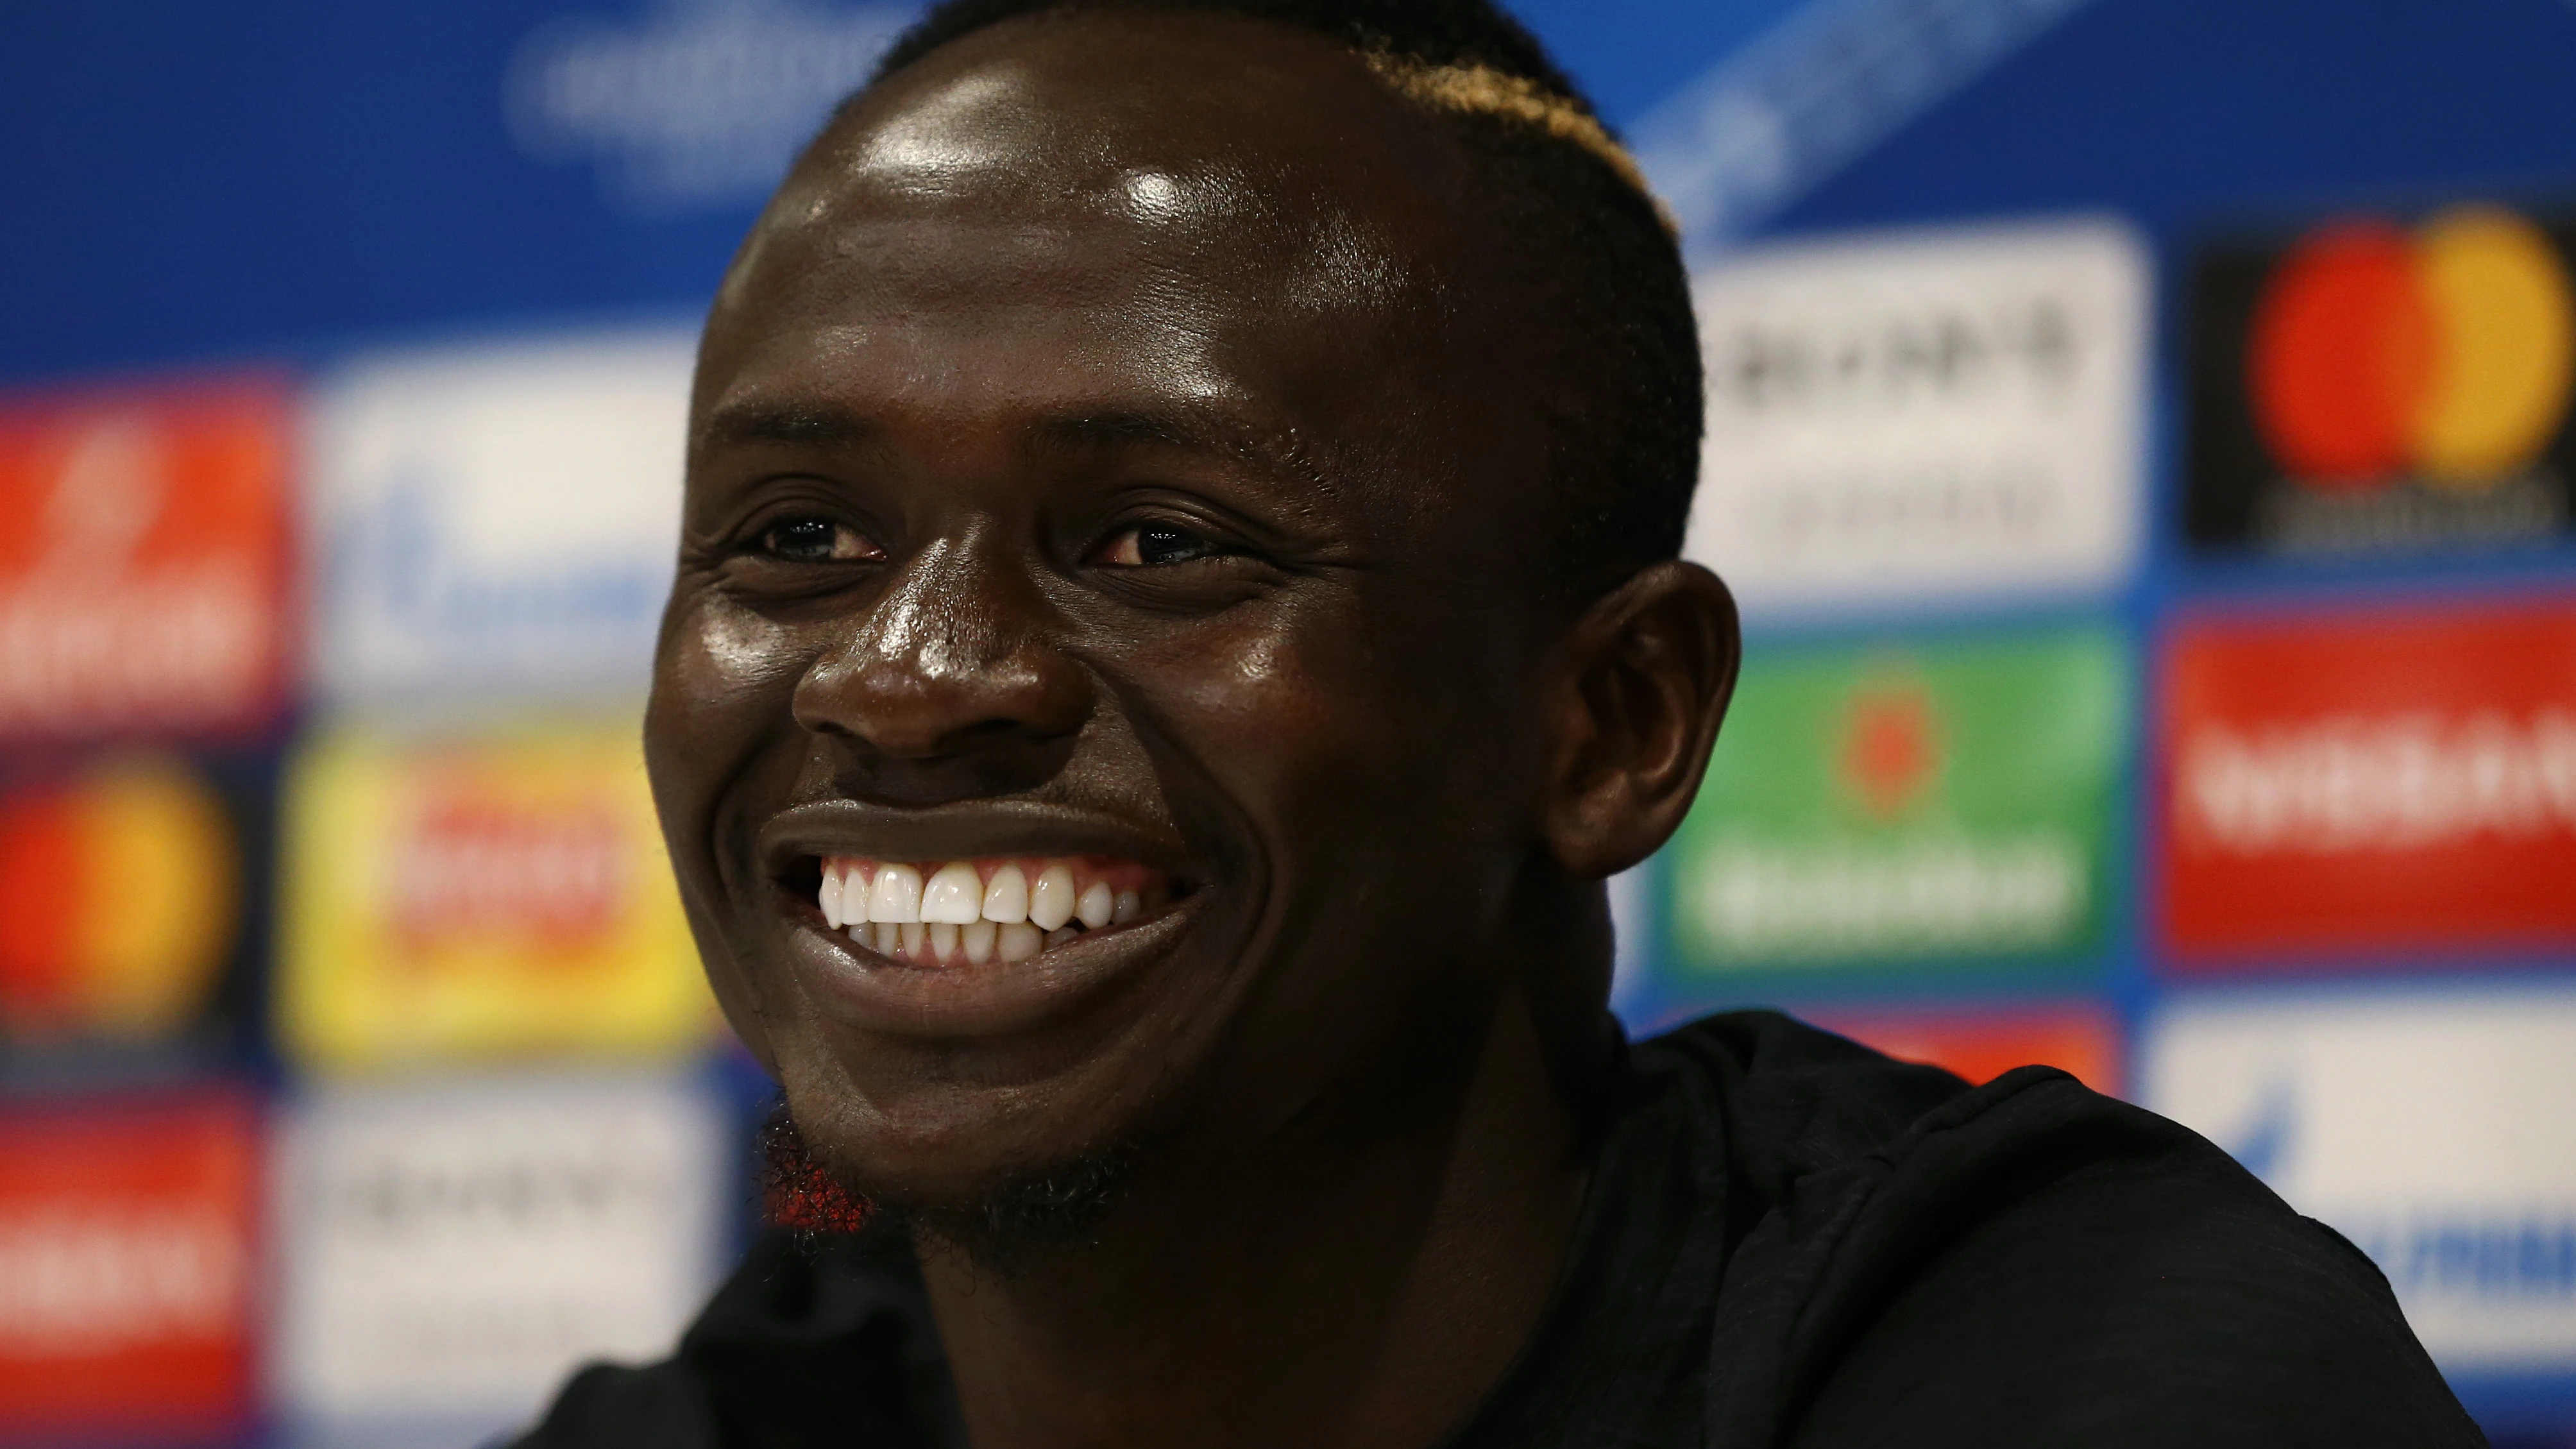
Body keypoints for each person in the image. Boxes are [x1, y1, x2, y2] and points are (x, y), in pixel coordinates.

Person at [514, 1, 2483, 1444]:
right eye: (795, 539)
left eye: (1154, 538)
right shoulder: (713, 1426)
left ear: (1614, 721)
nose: (911, 675)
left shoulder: (2072, 1374)